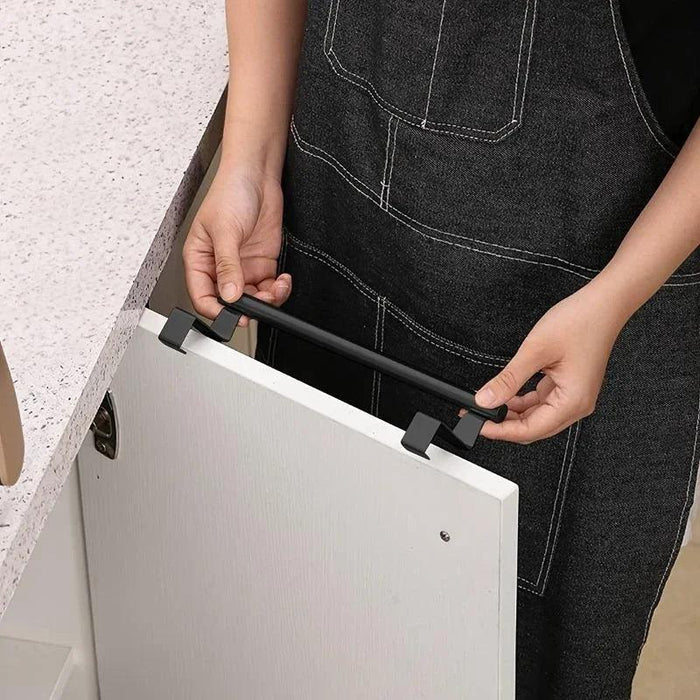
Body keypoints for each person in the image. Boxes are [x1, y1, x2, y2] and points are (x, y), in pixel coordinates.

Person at [183, 1, 700, 696]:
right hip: (338, 205)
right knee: (307, 610)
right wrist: (250, 154)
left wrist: (614, 299)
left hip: (588, 284)